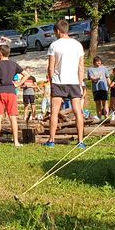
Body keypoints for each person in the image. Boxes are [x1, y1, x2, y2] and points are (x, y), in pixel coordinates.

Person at [45, 19, 86, 148]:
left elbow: (51, 67)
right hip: (74, 82)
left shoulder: (54, 45)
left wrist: (52, 83)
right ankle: (80, 141)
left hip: (59, 82)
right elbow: (81, 66)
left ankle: (51, 140)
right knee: (78, 111)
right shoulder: (78, 45)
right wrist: (80, 83)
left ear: (58, 31)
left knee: (55, 111)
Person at [0, 45, 25, 146]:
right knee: (13, 117)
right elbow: (26, 75)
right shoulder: (13, 64)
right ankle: (16, 141)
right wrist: (17, 84)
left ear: (0, 53)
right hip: (11, 91)